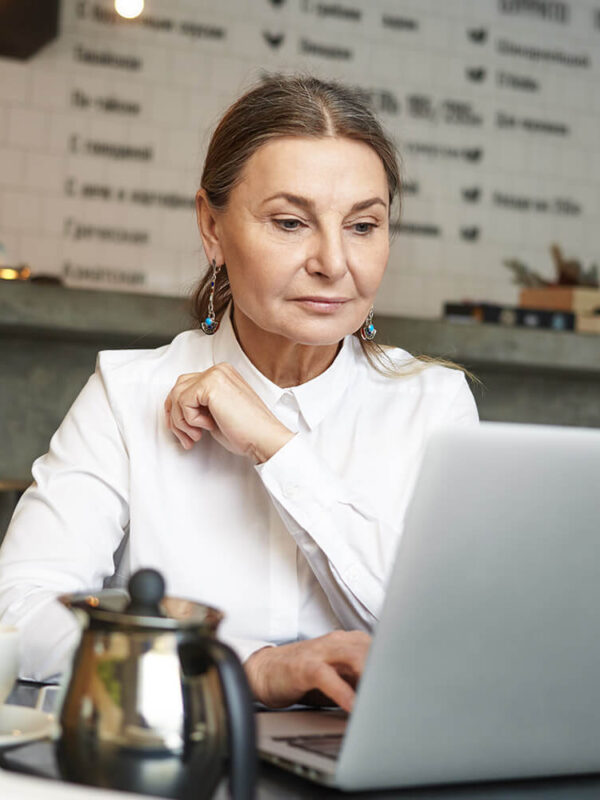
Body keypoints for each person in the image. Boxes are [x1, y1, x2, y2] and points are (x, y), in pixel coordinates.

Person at [0, 75, 478, 712]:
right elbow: (19, 616)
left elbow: (447, 639)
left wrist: (275, 446)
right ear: (212, 228)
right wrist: (237, 670)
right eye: (290, 222)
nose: (334, 262)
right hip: (177, 755)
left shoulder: (434, 404)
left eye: (363, 225)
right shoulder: (128, 392)